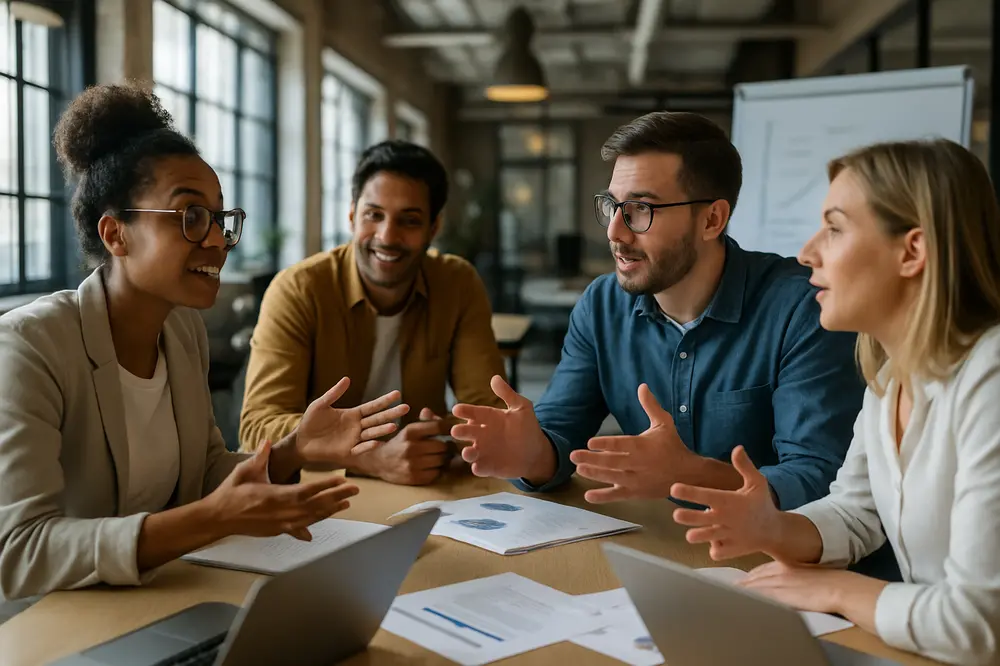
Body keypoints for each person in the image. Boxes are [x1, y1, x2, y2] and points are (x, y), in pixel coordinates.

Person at [0, 83, 407, 600]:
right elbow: (19, 551)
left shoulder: (181, 329)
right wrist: (209, 520)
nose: (217, 240)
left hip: (164, 593)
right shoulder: (30, 346)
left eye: (219, 218)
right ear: (115, 234)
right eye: (191, 217)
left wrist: (294, 450)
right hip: (56, 618)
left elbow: (206, 473)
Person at [671, 139, 1000, 665]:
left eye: (835, 228)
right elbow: (856, 513)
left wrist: (836, 590)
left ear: (912, 252)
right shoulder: (891, 376)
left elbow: (978, 624)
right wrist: (773, 527)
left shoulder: (991, 377)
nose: (808, 253)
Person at [452, 111, 864, 510]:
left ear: (712, 219)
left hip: (769, 549)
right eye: (612, 206)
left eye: (641, 209)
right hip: (657, 540)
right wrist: (531, 454)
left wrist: (690, 474)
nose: (615, 231)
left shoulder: (804, 308)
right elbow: (560, 433)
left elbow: (820, 478)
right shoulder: (602, 306)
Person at [240, 140, 506, 486]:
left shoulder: (457, 284)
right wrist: (368, 458)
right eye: (374, 215)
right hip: (312, 490)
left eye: (409, 221)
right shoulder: (299, 289)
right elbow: (257, 429)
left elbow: (490, 413)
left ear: (433, 228)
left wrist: (446, 436)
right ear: (352, 215)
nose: (387, 236)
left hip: (421, 488)